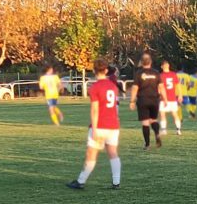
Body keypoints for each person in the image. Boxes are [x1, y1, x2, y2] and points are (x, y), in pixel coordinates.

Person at [67, 59, 121, 189]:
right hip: (113, 124)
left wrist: (95, 129)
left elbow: (95, 109)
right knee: (113, 153)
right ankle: (116, 183)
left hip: (101, 125)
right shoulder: (113, 86)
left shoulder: (95, 87)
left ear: (94, 71)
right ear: (106, 70)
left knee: (91, 154)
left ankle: (80, 181)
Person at [130, 52, 163, 149]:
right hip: (154, 100)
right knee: (153, 120)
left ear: (141, 62)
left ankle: (147, 144)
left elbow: (135, 88)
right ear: (151, 62)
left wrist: (132, 101)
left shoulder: (138, 74)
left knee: (145, 122)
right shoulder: (156, 73)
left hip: (143, 100)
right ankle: (157, 134)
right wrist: (164, 98)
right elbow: (161, 87)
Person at [158, 60, 182, 136]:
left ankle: (164, 130)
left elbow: (159, 87)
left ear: (162, 67)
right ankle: (178, 130)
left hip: (163, 98)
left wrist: (157, 94)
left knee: (162, 114)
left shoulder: (160, 75)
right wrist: (180, 95)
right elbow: (178, 85)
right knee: (175, 114)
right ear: (168, 66)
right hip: (172, 98)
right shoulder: (173, 74)